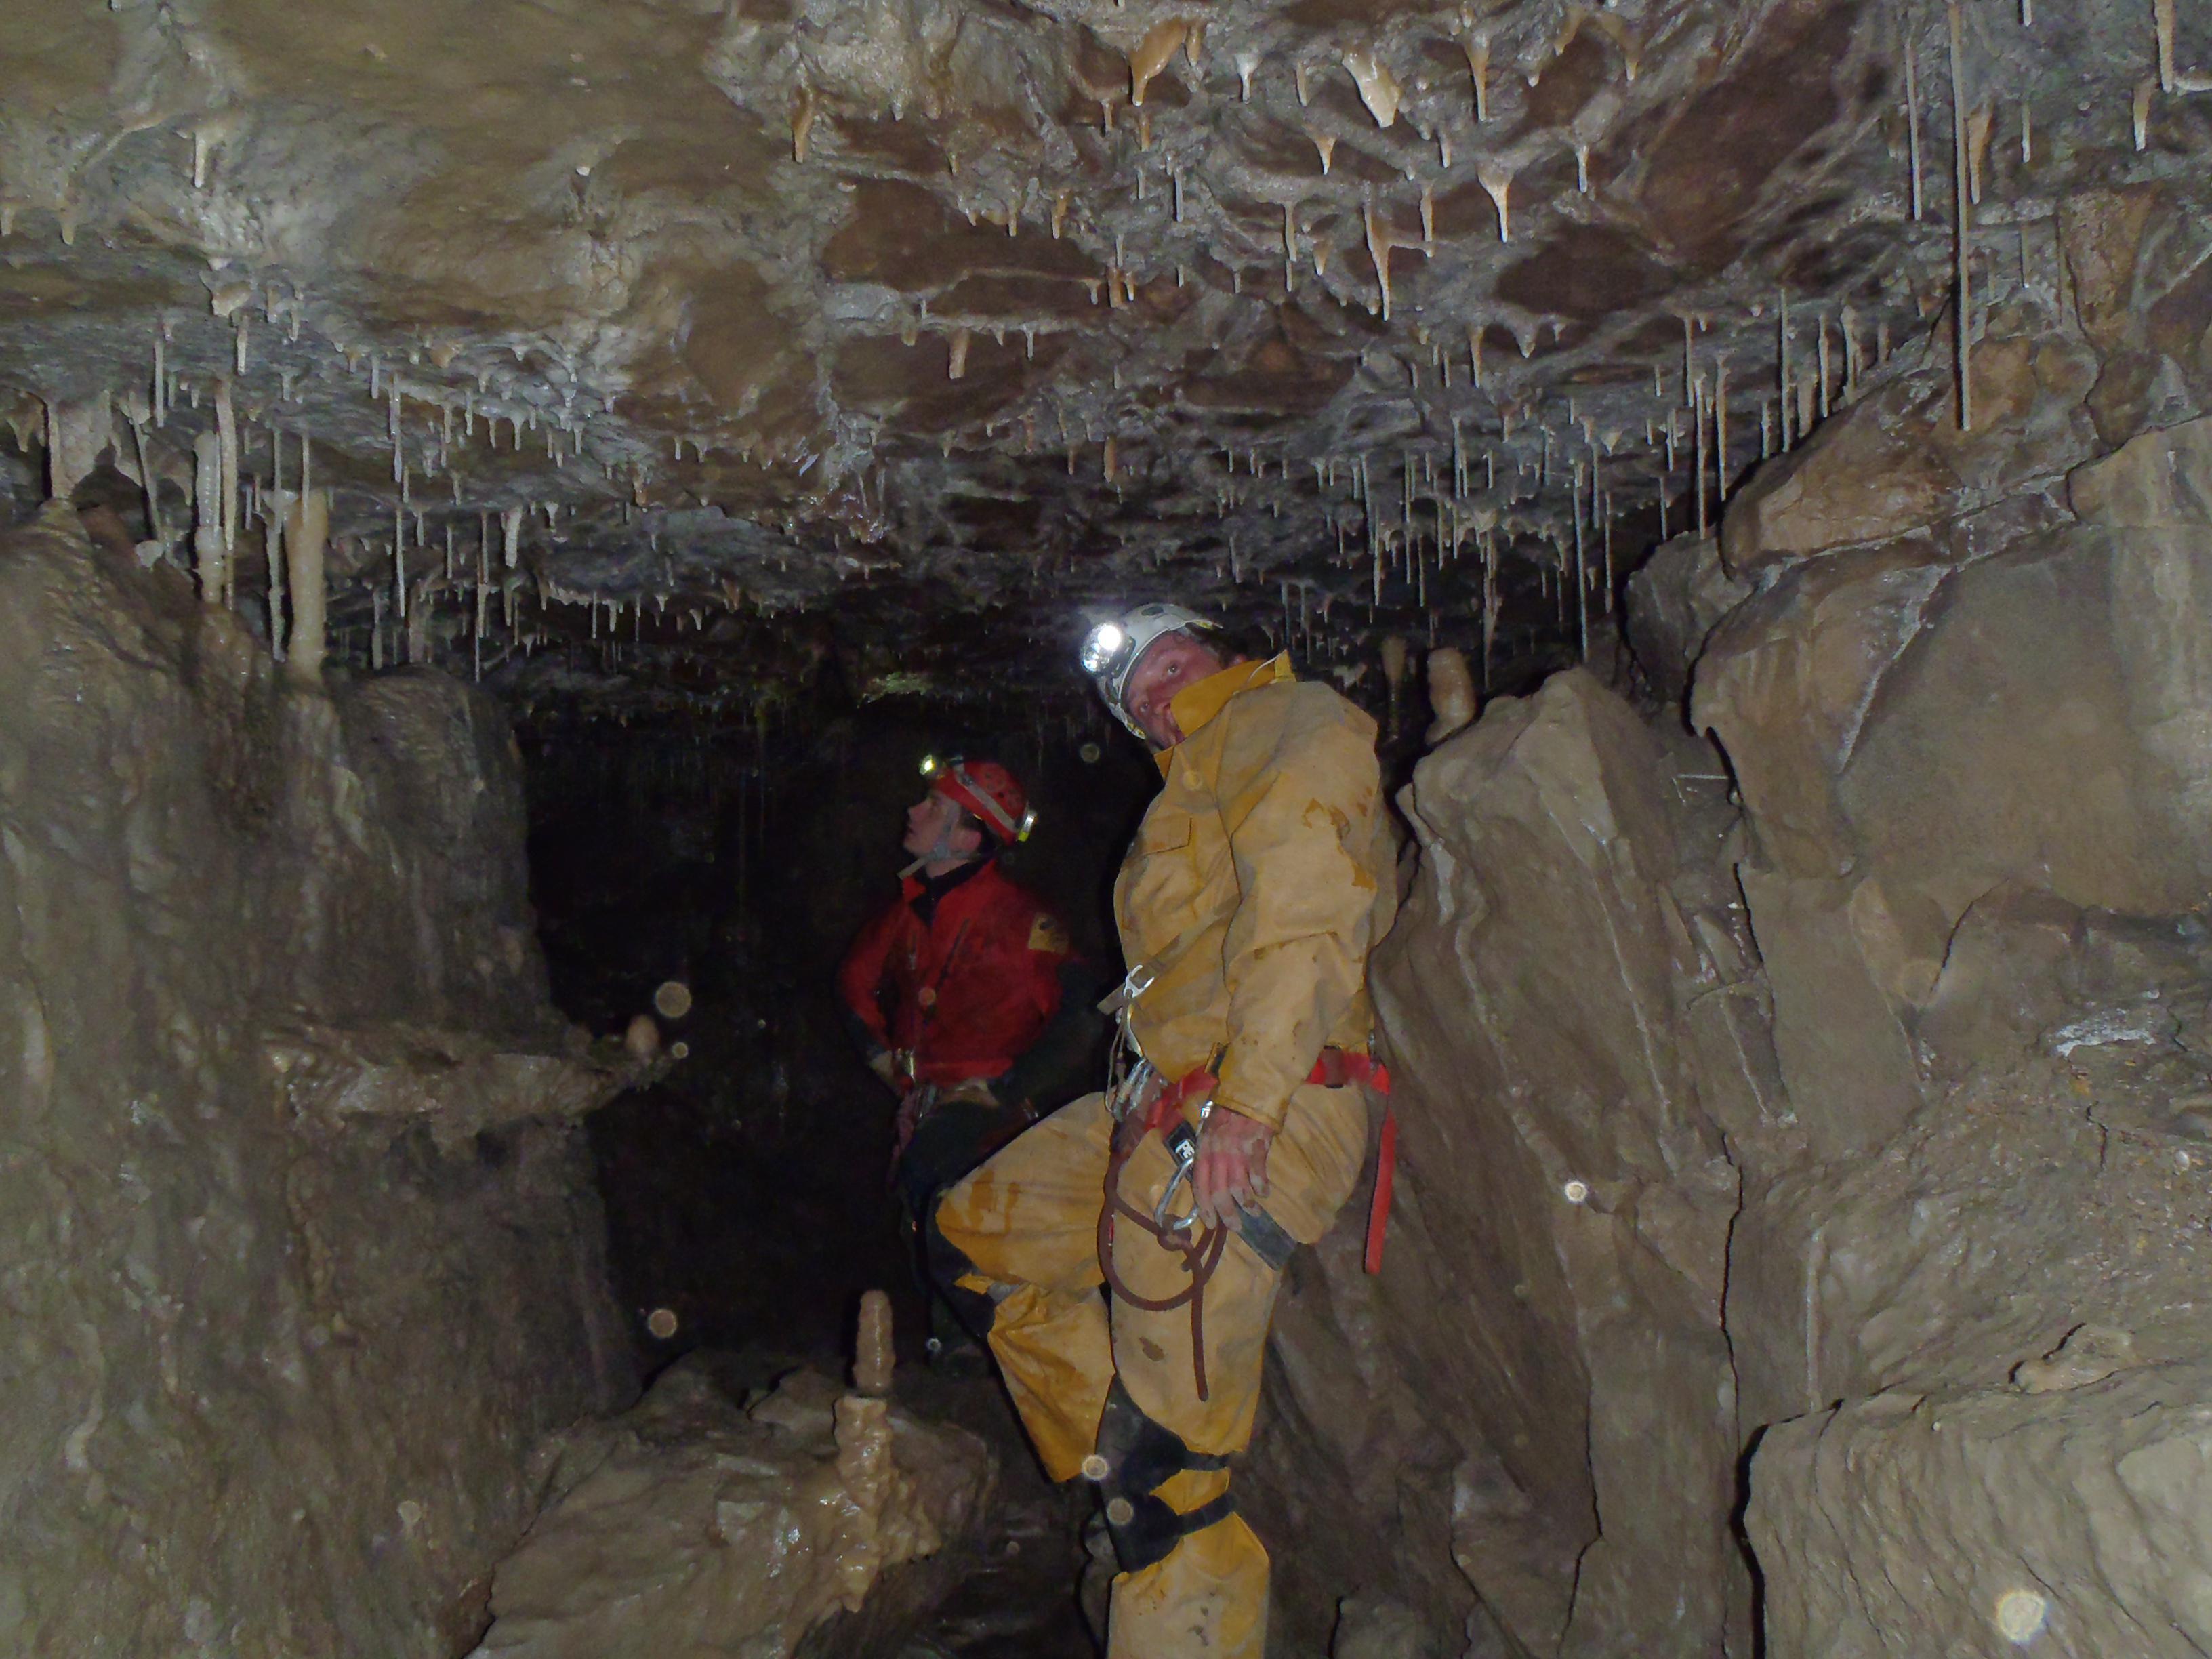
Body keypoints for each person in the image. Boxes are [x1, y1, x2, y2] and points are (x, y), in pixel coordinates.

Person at [930, 604, 1397, 1657]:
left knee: (1171, 1490)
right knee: (971, 1241)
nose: (1147, 693)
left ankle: (1162, 1484)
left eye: (1168, 663)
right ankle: (1128, 1449)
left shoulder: (1287, 720)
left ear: (1229, 654)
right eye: (1131, 695)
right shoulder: (1187, 786)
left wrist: (1251, 1108)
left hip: (1255, 1103)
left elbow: (1305, 910)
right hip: (1156, 1106)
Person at [837, 754, 1094, 1359]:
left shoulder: (1023, 922)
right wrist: (881, 1058)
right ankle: (959, 1342)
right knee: (922, 1210)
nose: (913, 811)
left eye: (934, 806)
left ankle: (988, 1341)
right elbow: (853, 985)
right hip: (928, 1098)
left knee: (946, 1198)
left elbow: (1080, 1016)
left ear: (966, 837)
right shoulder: (909, 913)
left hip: (988, 1108)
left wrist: (1006, 1089)